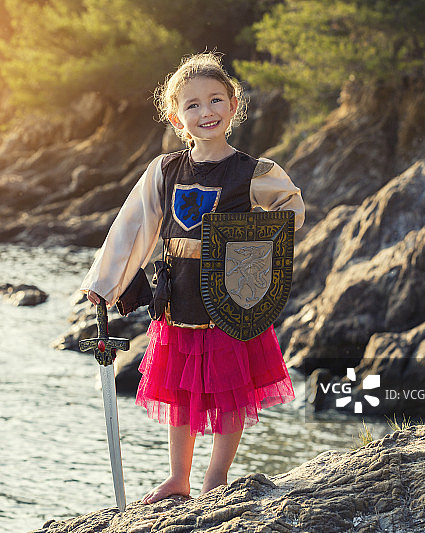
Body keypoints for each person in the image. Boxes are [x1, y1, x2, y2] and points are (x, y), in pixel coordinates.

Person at [80, 52, 305, 505]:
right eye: (194, 105)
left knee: (229, 392)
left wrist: (246, 251)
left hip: (231, 298)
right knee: (181, 392)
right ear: (176, 116)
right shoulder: (164, 171)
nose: (207, 112)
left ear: (234, 104)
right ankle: (178, 479)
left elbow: (291, 212)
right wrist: (103, 284)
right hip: (177, 292)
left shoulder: (253, 172)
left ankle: (216, 476)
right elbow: (132, 228)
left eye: (216, 100)